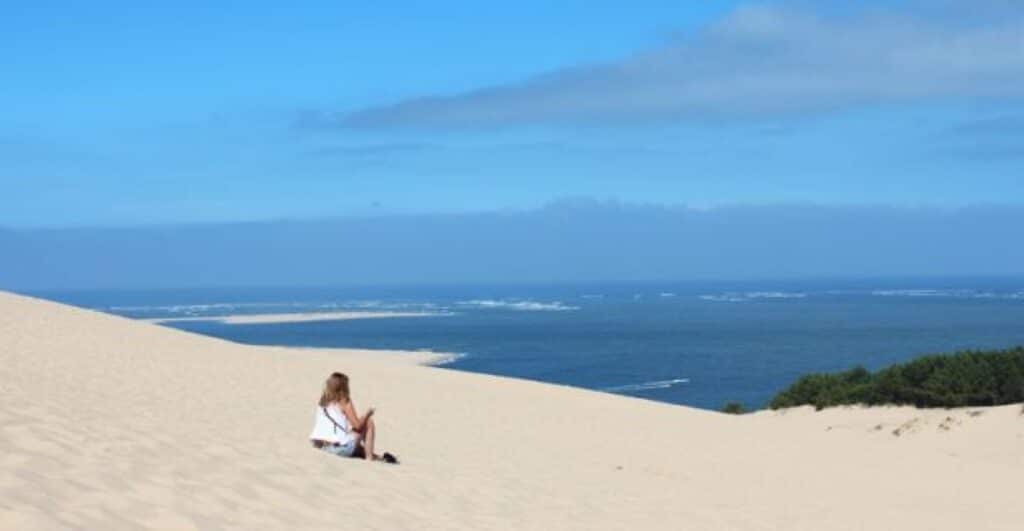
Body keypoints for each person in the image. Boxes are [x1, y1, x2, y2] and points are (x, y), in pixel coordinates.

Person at [310, 372, 396, 463]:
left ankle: (379, 458)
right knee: (368, 422)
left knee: (353, 443)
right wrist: (367, 414)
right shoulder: (344, 400)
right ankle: (369, 458)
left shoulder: (323, 401)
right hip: (339, 449)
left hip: (321, 446)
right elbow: (357, 425)